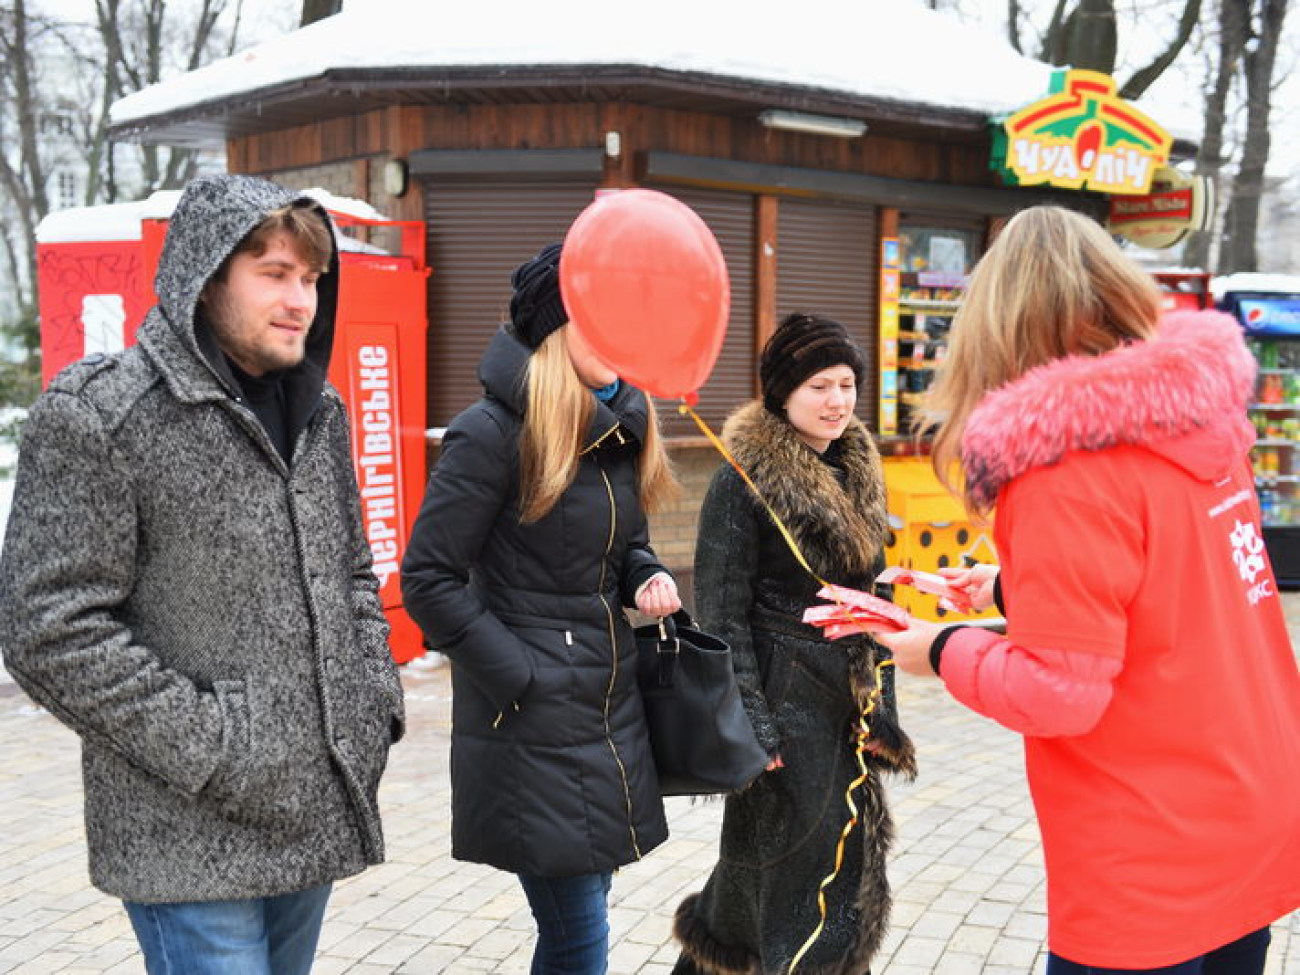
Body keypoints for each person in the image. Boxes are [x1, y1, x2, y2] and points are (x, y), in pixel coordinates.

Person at [865, 206, 1300, 974]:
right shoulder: (1199, 425)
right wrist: (1010, 584)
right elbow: (1175, 584)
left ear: (997, 324)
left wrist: (936, 645)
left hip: (1148, 852)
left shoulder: (1062, 471)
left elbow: (1060, 696)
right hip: (1249, 812)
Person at [0, 173, 405, 975]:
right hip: (183, 829)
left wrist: (370, 703)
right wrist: (218, 747)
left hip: (309, 807)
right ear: (207, 274)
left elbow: (353, 573)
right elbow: (47, 629)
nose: (300, 300)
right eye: (273, 273)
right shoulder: (102, 415)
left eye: (311, 278)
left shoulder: (318, 415)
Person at [400, 241, 681, 975]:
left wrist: (644, 576)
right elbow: (427, 577)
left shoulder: (618, 425)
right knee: (579, 935)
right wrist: (519, 672)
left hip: (605, 710)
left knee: (579, 924)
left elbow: (628, 543)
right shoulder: (491, 434)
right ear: (558, 330)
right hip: (531, 722)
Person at [671, 313, 916, 975]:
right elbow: (720, 615)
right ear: (783, 392)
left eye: (845, 384)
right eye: (819, 386)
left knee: (842, 876)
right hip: (780, 715)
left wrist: (882, 708)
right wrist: (751, 724)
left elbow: (879, 597)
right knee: (765, 884)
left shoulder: (859, 469)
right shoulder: (739, 481)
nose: (837, 401)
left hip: (846, 715)